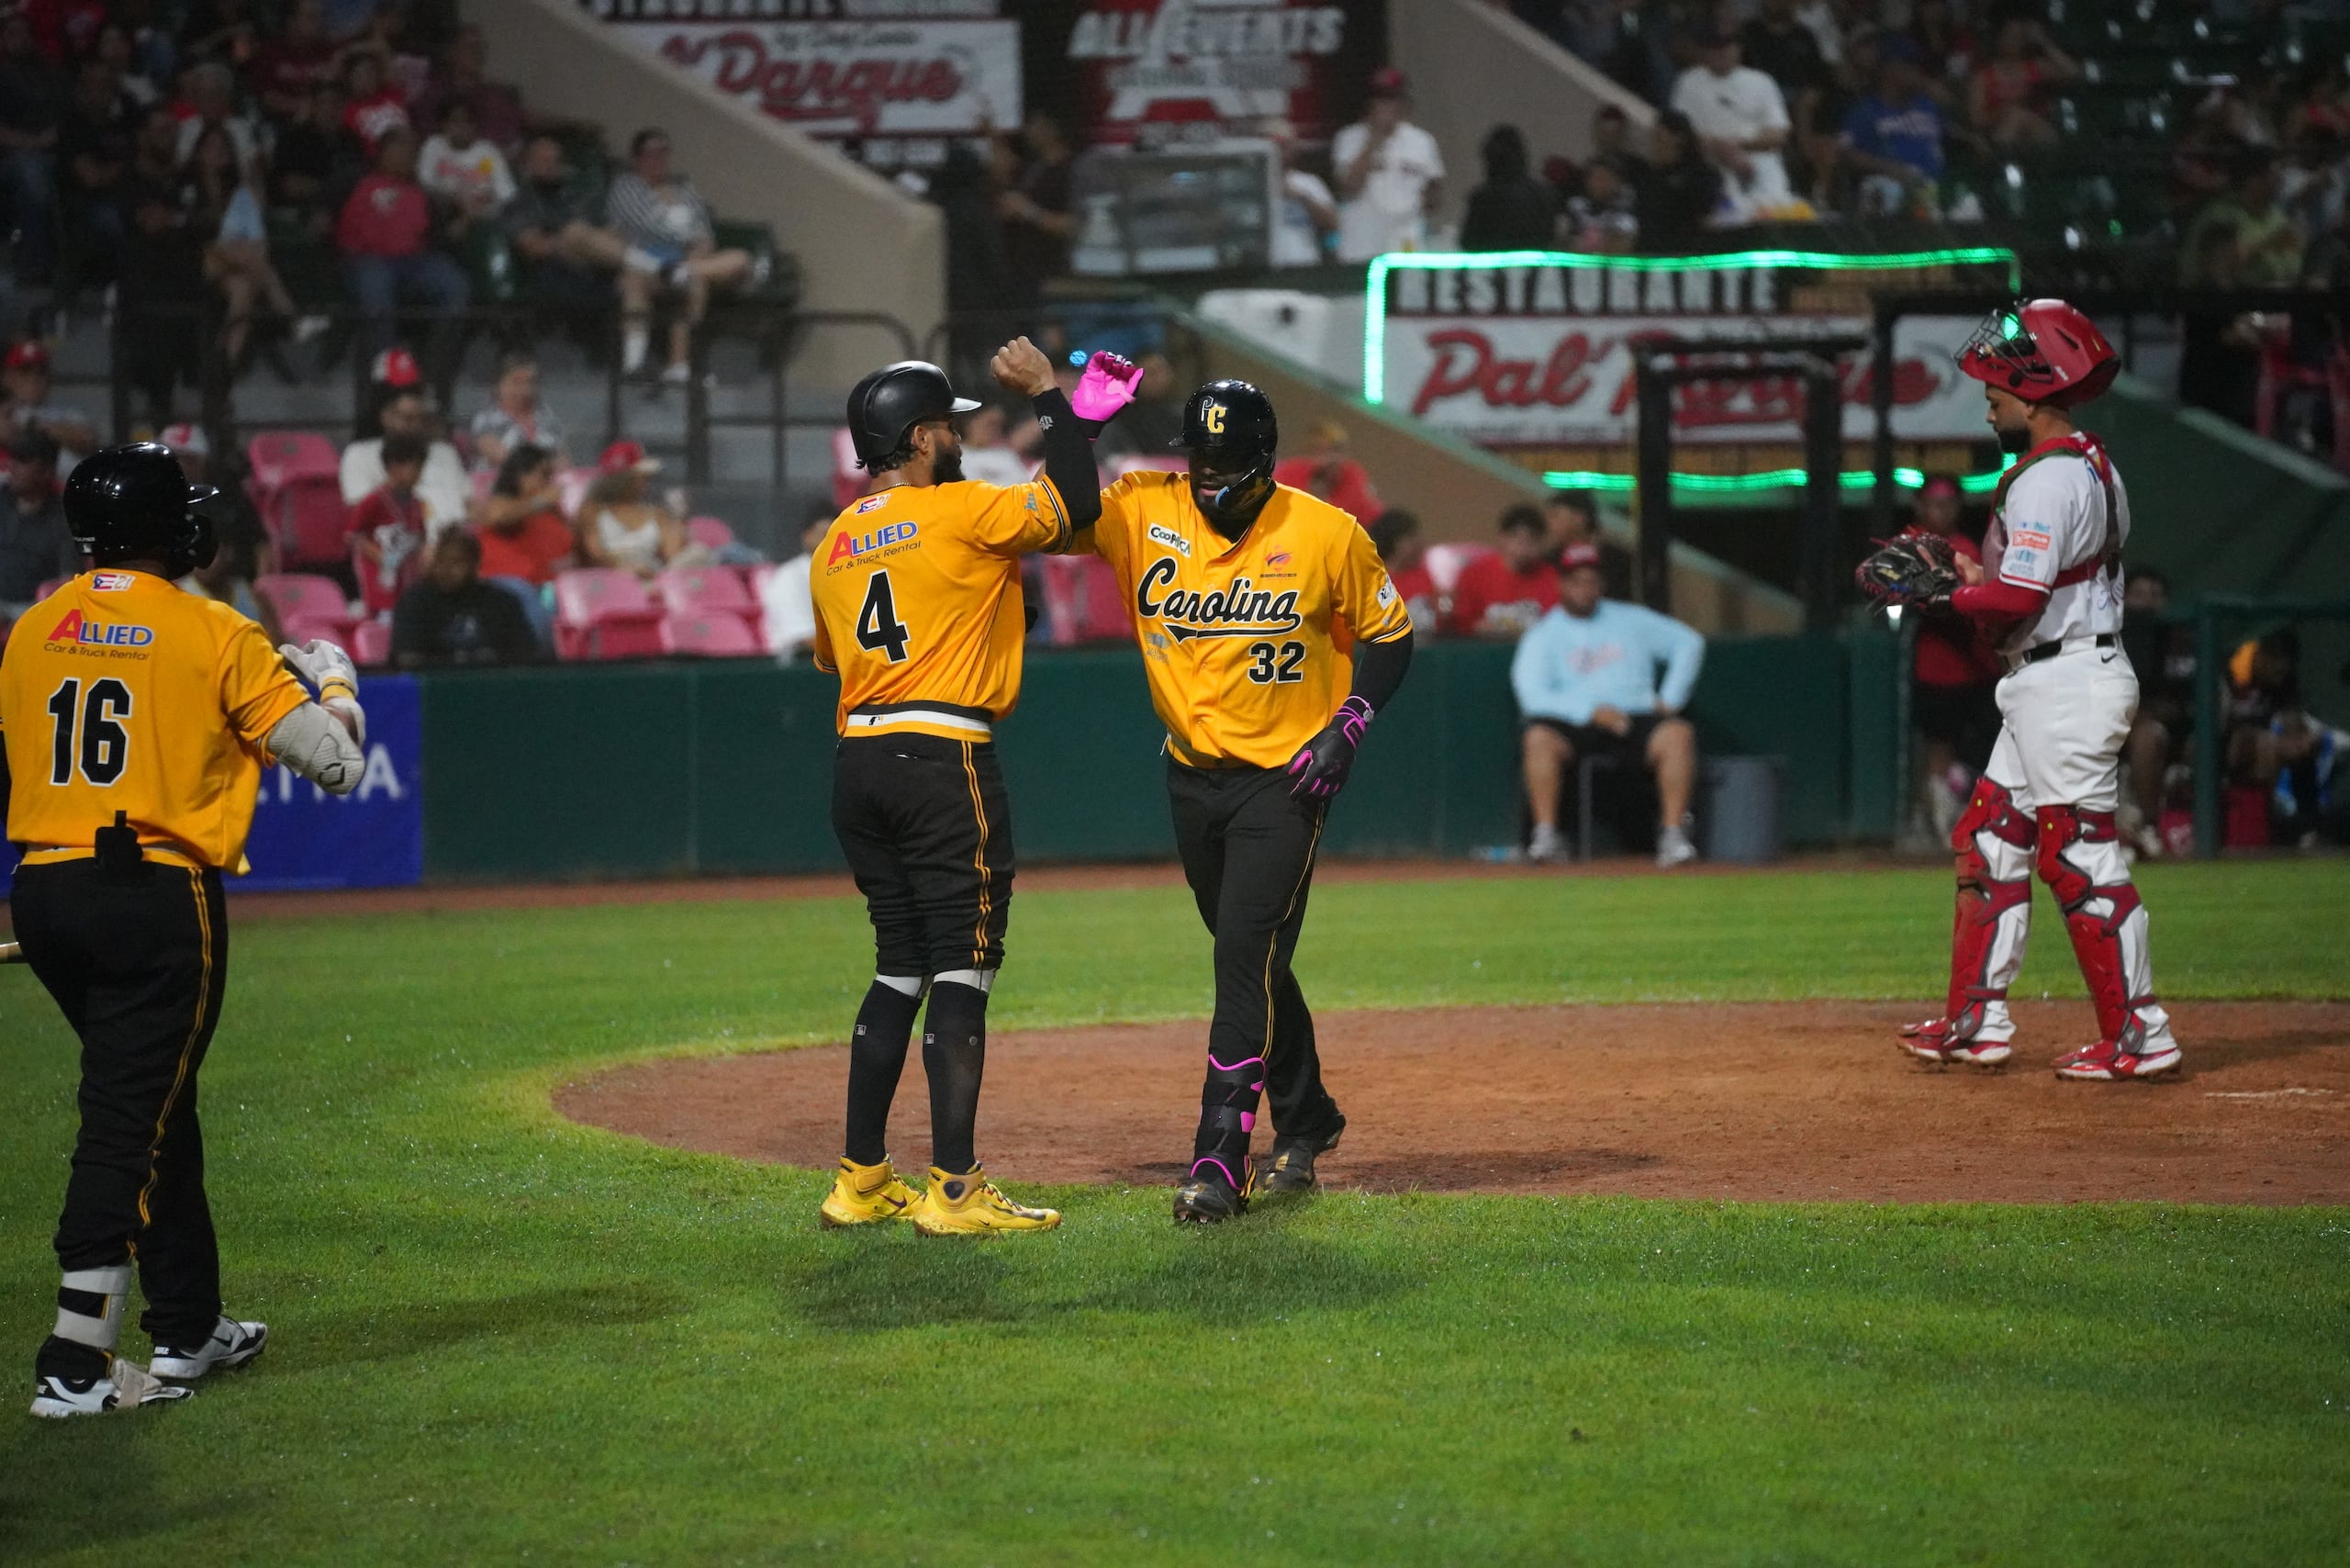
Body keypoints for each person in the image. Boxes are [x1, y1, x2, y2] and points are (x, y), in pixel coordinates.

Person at [4, 442, 366, 1418]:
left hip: (43, 889)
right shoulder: (213, 628)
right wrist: (333, 683)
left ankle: (188, 1324)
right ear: (171, 529)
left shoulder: (33, 627)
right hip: (152, 895)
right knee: (128, 1119)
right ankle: (75, 1363)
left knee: (156, 1100)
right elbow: (337, 767)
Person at [1072, 378, 1415, 1222]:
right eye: (1199, 461)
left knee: (1241, 954)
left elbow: (1391, 635)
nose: (1209, 477)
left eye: (1227, 464)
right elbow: (1053, 513)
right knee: (1253, 956)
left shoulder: (1326, 531)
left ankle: (1219, 1156)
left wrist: (1351, 722)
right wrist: (1076, 421)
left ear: (1265, 462)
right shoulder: (1145, 507)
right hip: (1191, 773)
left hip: (1287, 778)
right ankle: (1308, 1119)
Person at [810, 344, 1125, 1238]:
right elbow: (1076, 507)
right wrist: (1055, 400)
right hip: (941, 758)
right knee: (961, 968)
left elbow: (838, 658)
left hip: (859, 761)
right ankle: (953, 1188)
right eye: (949, 423)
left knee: (895, 966)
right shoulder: (957, 507)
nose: (959, 436)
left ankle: (861, 1178)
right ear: (916, 438)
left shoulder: (832, 542)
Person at [1889, 299, 2182, 1081]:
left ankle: (2140, 1035)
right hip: (2053, 678)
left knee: (2081, 859)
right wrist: (1969, 578)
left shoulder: (2049, 479)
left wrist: (1945, 598)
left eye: (1997, 392)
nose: (1989, 403)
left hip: (2067, 683)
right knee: (1989, 840)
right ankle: (1976, 1020)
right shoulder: (2085, 463)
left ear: (2034, 391)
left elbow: (2020, 604)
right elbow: (2035, 585)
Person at [1512, 542, 1706, 868]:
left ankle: (1673, 836)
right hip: (1575, 724)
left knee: (1677, 734)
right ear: (1561, 584)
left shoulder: (1631, 619)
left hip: (1634, 716)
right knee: (1538, 739)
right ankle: (1546, 837)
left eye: (1591, 580)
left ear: (1602, 584)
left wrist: (1671, 698)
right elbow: (1532, 696)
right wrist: (1590, 712)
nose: (1584, 588)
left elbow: (1689, 643)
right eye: (1576, 580)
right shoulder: (1544, 634)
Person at [604, 128, 753, 385]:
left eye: (664, 153)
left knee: (739, 260)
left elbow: (705, 238)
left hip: (685, 264)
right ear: (638, 158)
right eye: (651, 154)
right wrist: (684, 235)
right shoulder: (626, 187)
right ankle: (634, 365)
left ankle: (678, 367)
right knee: (634, 281)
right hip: (646, 266)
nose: (659, 160)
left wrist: (691, 256)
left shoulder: (686, 190)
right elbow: (645, 226)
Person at [1905, 475, 1999, 838]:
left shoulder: (1967, 549)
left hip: (1977, 667)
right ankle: (1944, 831)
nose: (1940, 511)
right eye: (1934, 504)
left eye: (1947, 504)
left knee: (1988, 747)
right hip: (1934, 668)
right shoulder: (1910, 546)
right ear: (1921, 506)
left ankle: (1976, 820)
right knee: (1938, 749)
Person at [334, 126, 470, 373]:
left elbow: (439, 237)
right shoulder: (353, 180)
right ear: (383, 152)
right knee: (376, 287)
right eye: (402, 148)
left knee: (454, 285)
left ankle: (435, 369)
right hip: (366, 260)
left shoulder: (423, 193)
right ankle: (386, 371)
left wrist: (463, 220)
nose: (409, 155)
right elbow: (325, 216)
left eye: (412, 150)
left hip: (415, 261)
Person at [1669, 28, 1796, 221]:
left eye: (1727, 46)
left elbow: (1779, 134)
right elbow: (1680, 131)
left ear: (1738, 48)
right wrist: (1724, 151)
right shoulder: (1689, 82)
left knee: (1779, 216)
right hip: (1712, 167)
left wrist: (1740, 146)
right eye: (1715, 47)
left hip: (1760, 164)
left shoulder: (1761, 81)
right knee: (1727, 217)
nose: (1722, 52)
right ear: (1704, 50)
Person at [502, 133, 635, 313]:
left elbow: (607, 229)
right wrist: (569, 240)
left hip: (601, 263)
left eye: (556, 160)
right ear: (528, 165)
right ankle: (653, 266)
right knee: (576, 232)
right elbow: (532, 248)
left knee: (633, 280)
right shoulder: (520, 203)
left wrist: (592, 241)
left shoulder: (575, 197)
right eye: (543, 161)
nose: (551, 166)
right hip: (558, 270)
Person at [1332, 68, 1445, 263]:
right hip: (1361, 246)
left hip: (1405, 243)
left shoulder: (1422, 141)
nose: (1385, 105)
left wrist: (1417, 209)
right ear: (1369, 103)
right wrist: (1374, 140)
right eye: (1380, 99)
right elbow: (1349, 187)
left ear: (1404, 103)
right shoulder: (1348, 138)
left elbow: (1433, 192)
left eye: (1392, 99)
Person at [391, 528, 539, 668]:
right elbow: (407, 658)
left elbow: (524, 655)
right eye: (440, 561)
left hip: (494, 686)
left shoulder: (502, 603)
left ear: (475, 565)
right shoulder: (415, 602)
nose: (445, 570)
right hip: (435, 688)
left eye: (457, 562)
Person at [475, 442, 573, 649]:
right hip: (506, 587)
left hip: (550, 588)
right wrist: (539, 501)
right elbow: (497, 516)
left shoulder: (554, 513)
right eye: (544, 475)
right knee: (527, 597)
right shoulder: (506, 502)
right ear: (522, 475)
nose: (550, 481)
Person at [1838, 36, 1945, 217]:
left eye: (1917, 65)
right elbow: (1845, 152)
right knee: (1887, 190)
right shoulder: (1866, 110)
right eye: (1908, 65)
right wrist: (1887, 168)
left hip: (1933, 191)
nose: (1915, 71)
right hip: (1888, 194)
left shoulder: (1927, 105)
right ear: (1888, 69)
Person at [0, 8, 69, 286]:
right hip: (10, 155)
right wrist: (31, 143)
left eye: (23, 33)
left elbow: (63, 122)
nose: (19, 39)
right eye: (11, 34)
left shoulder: (51, 73)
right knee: (31, 173)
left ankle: (36, 264)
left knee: (35, 174)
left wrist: (44, 143)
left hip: (49, 154)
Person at [340, 387, 467, 536]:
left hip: (453, 544)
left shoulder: (445, 452)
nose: (415, 425)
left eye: (421, 419)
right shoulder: (358, 454)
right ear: (386, 417)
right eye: (408, 418)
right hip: (396, 546)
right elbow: (360, 517)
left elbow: (467, 503)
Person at [577, 440, 699, 579]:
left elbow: (673, 555)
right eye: (642, 477)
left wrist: (680, 519)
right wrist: (625, 567)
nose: (647, 481)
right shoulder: (592, 511)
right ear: (624, 479)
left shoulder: (655, 513)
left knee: (698, 553)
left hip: (653, 577)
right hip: (611, 582)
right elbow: (595, 555)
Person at [345, 430, 428, 621]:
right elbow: (352, 535)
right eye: (414, 466)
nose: (418, 473)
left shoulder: (417, 503)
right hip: (381, 583)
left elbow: (420, 537)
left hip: (408, 580)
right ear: (393, 466)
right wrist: (382, 558)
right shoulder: (373, 501)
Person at [1966, 16, 2078, 151]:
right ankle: (2002, 160)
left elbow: (2074, 74)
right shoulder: (1983, 76)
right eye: (2011, 35)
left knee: (2026, 120)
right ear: (1999, 38)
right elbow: (1977, 120)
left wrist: (2044, 43)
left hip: (2037, 128)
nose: (2015, 41)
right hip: (2000, 132)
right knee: (2015, 116)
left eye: (2020, 36)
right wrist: (2004, 111)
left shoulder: (2035, 67)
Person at [1448, 504, 1560, 638]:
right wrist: (1478, 627)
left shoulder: (1554, 577)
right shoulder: (1474, 575)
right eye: (1516, 537)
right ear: (1503, 538)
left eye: (1532, 538)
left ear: (1542, 542)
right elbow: (1460, 625)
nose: (1523, 545)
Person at [0, 431, 79, 615]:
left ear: (46, 471)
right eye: (13, 459)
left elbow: (67, 579)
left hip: (33, 607)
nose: (12, 467)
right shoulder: (2, 499)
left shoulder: (63, 516)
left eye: (23, 461)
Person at [1460, 123, 1560, 252]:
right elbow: (1550, 237)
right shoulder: (1546, 194)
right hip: (1537, 269)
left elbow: (1468, 243)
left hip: (1493, 270)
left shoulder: (1482, 198)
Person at [1634, 110, 1724, 252]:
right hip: (1649, 254)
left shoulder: (1702, 175)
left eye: (1660, 138)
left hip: (1683, 254)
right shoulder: (1649, 176)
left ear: (1678, 139)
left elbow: (1704, 216)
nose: (1655, 145)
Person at [1, 339, 99, 467]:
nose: (34, 378)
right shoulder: (3, 414)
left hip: (60, 484)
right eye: (25, 371)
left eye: (41, 372)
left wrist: (31, 423)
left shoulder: (66, 414)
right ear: (7, 377)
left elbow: (88, 439)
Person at [467, 352, 565, 473]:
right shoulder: (485, 420)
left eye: (531, 382)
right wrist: (546, 465)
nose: (525, 390)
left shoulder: (548, 418)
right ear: (498, 386)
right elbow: (500, 456)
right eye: (516, 382)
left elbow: (563, 462)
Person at [417, 99, 513, 218]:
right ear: (444, 124)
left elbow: (506, 192)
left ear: (475, 126)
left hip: (483, 216)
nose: (461, 127)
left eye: (467, 122)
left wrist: (482, 202)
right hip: (443, 212)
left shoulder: (488, 152)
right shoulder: (434, 145)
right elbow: (425, 182)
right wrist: (453, 199)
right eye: (455, 121)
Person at [1262, 116, 1337, 267]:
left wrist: (1302, 197)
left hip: (1302, 262)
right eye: (1273, 145)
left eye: (1284, 146)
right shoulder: (1246, 183)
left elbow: (1333, 224)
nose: (1278, 152)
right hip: (1260, 265)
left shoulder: (1308, 183)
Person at [1270, 420, 1381, 521]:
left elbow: (1373, 518)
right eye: (1320, 450)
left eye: (1335, 451)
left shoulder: (1355, 479)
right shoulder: (1289, 472)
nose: (1328, 459)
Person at [758, 506, 828, 662]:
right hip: (794, 668)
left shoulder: (849, 572)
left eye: (838, 535)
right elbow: (805, 638)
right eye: (824, 534)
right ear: (807, 536)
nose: (832, 541)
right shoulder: (789, 577)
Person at [1367, 507, 1436, 630]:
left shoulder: (1423, 576)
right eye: (1411, 538)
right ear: (1392, 542)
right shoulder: (1372, 581)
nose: (1419, 544)